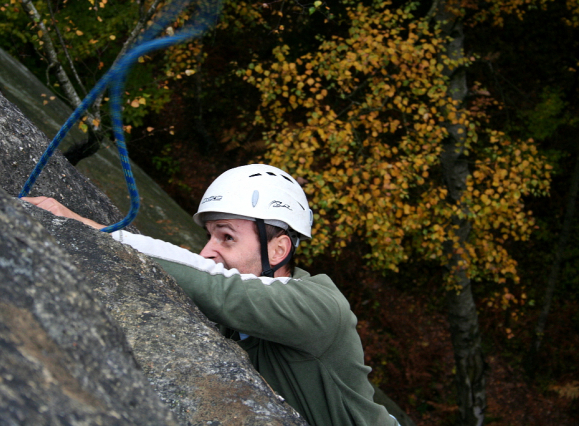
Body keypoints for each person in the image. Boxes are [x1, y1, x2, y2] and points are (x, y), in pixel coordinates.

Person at [24, 164, 399, 426]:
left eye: (226, 237)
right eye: (210, 236)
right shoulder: (234, 328)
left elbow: (215, 286)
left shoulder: (320, 306)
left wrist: (89, 230)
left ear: (279, 249)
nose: (207, 251)